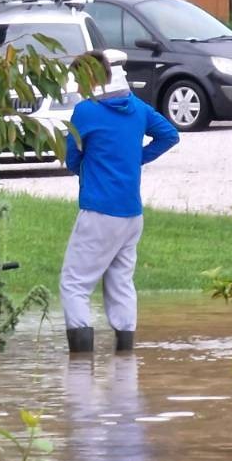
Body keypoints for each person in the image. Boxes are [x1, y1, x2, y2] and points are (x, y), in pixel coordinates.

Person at [60, 50, 179, 353]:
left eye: (78, 81)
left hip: (99, 212)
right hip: (132, 215)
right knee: (121, 283)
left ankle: (81, 364)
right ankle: (125, 357)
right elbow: (169, 134)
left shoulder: (86, 112)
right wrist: (136, 158)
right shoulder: (137, 107)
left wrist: (89, 166)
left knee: (74, 284)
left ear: (89, 79)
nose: (78, 88)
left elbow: (71, 158)